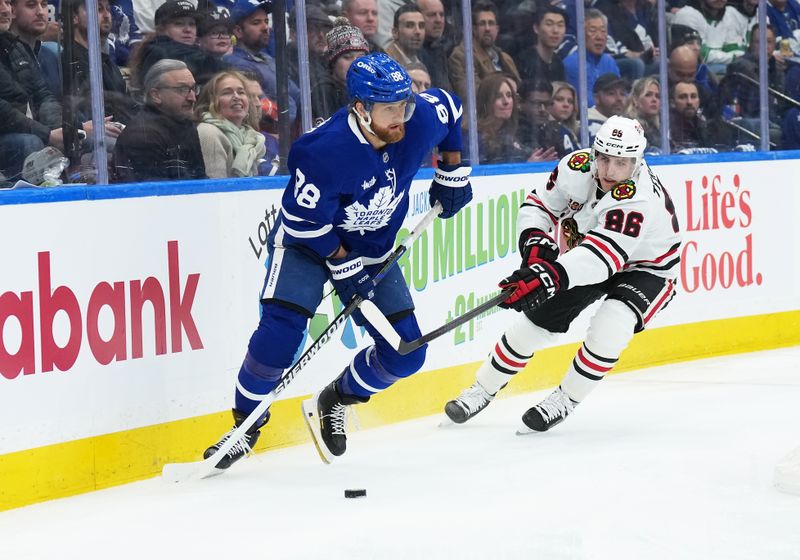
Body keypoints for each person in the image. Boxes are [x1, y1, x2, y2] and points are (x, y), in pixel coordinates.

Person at [203, 52, 471, 468]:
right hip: (308, 248)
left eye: (404, 104)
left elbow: (452, 109)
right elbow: (303, 223)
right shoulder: (323, 151)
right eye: (390, 109)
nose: (402, 115)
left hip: (372, 253)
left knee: (407, 354)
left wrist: (452, 172)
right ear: (361, 109)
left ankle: (337, 397)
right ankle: (244, 427)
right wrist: (342, 265)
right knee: (281, 332)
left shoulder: (414, 120)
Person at [444, 116, 681, 434]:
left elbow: (603, 260)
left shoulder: (637, 199)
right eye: (605, 158)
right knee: (534, 322)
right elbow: (539, 204)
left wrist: (547, 275)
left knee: (612, 324)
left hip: (647, 267)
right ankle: (481, 390)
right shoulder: (577, 166)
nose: (610, 171)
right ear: (594, 152)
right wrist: (534, 241)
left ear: (637, 162)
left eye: (621, 163)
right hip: (589, 252)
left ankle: (565, 399)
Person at [113, 59, 207, 182]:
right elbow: (155, 194)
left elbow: (200, 180)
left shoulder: (184, 124)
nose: (192, 97)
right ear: (156, 95)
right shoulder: (143, 135)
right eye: (182, 89)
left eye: (193, 88)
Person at [133, 0, 228, 89]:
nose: (187, 30)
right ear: (161, 29)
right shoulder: (158, 51)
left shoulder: (195, 51)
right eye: (179, 24)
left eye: (192, 24)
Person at [195, 70, 266, 178]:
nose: (236, 97)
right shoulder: (209, 133)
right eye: (227, 93)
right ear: (211, 101)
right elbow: (216, 188)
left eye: (241, 92)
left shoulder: (250, 136)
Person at [448, 1, 520, 102]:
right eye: (482, 23)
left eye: (491, 23)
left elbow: (521, 93)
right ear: (473, 29)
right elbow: (472, 96)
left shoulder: (505, 58)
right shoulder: (462, 56)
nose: (487, 29)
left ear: (497, 29)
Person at [310, 17, 370, 123]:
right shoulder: (324, 91)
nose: (355, 63)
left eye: (360, 58)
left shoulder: (368, 89)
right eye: (347, 57)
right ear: (333, 62)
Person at [563, 9, 620, 107]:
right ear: (581, 35)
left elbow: (621, 95)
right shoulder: (572, 63)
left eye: (603, 31)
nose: (599, 37)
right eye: (593, 31)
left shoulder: (610, 62)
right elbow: (586, 104)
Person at [672, 0, 748, 72]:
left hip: (723, 67)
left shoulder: (728, 15)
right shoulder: (687, 15)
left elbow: (733, 47)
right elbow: (701, 54)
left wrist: (741, 57)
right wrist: (733, 57)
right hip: (694, 70)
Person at [10, 0, 61, 97]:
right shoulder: (5, 58)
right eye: (31, 5)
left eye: (44, 4)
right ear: (12, 10)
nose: (40, 12)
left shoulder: (50, 55)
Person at [515, 5, 567, 85]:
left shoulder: (558, 63)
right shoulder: (523, 61)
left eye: (560, 25)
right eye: (549, 24)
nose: (555, 30)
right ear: (536, 28)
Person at [417, 0, 453, 90]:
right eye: (432, 15)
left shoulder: (441, 49)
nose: (439, 20)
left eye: (441, 15)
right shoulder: (413, 51)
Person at [588, 73, 630, 141]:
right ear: (597, 98)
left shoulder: (628, 123)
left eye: (622, 94)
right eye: (611, 93)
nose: (619, 98)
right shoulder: (585, 123)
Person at [625, 76, 662, 152]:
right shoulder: (628, 126)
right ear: (635, 100)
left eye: (657, 96)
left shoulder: (659, 127)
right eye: (648, 95)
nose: (654, 100)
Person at [384, 4, 427, 69]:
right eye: (409, 26)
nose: (418, 31)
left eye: (421, 26)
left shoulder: (423, 62)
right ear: (395, 33)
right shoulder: (385, 62)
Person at [548, 81, 580, 156]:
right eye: (559, 99)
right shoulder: (545, 132)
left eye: (570, 101)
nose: (566, 105)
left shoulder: (576, 131)